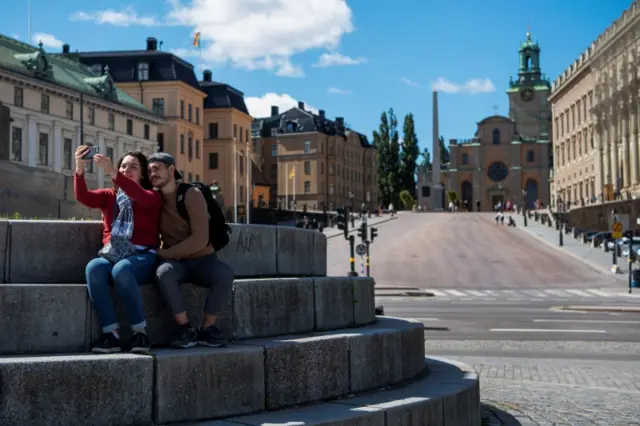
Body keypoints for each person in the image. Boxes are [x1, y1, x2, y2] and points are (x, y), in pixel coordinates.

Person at [74, 146, 162, 354]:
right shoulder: (109, 196)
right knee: (94, 268)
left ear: (142, 175)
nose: (126, 170)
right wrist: (79, 168)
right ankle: (111, 334)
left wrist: (113, 172)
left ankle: (140, 333)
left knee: (121, 269)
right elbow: (83, 197)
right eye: (123, 166)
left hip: (142, 256)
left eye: (133, 167)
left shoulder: (151, 196)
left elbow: (138, 195)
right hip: (113, 253)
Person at [148, 153, 235, 349]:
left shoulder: (191, 194)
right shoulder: (153, 198)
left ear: (171, 169)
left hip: (202, 259)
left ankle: (207, 329)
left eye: (157, 168)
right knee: (164, 273)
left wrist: (164, 254)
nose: (152, 173)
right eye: (150, 170)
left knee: (224, 274)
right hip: (178, 264)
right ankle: (185, 328)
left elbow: (200, 239)